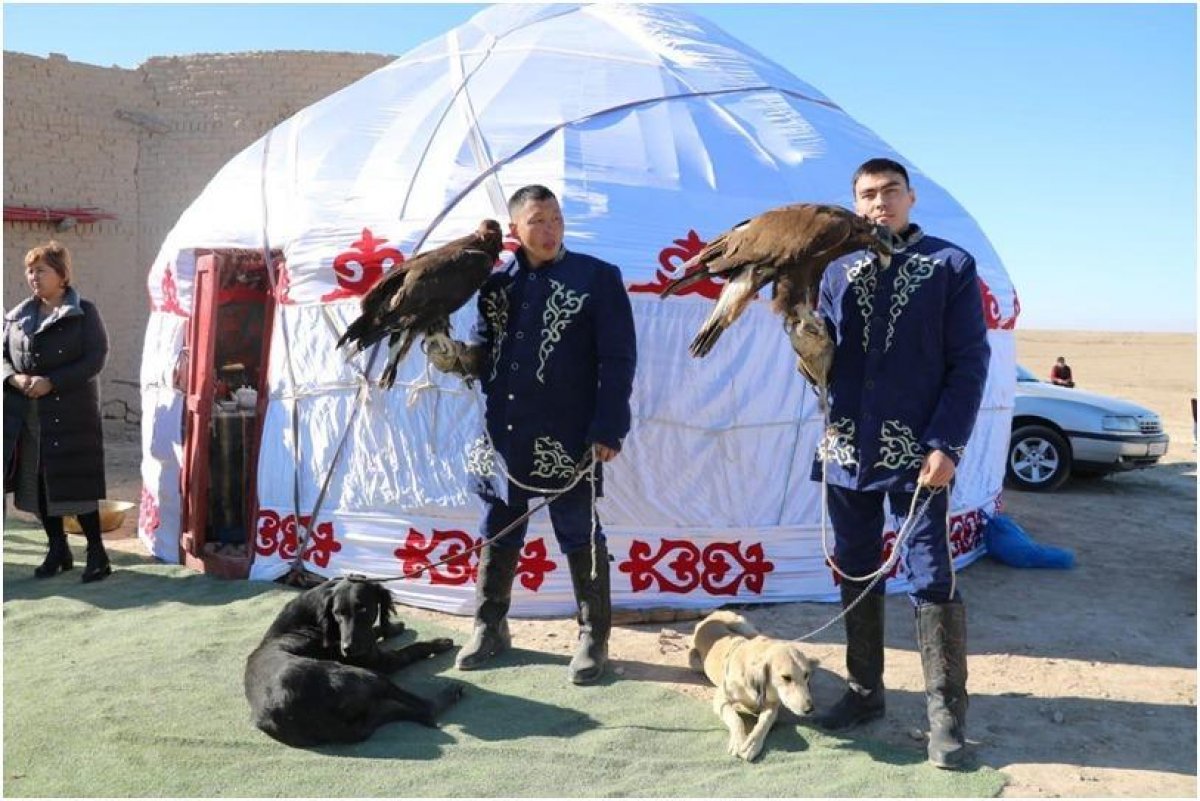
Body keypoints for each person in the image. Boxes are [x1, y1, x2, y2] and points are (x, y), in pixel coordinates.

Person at [809, 158, 990, 769]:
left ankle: (946, 717)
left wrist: (948, 443)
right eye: (868, 194)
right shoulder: (836, 269)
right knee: (854, 565)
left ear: (911, 197)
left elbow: (970, 362)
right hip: (846, 445)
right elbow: (823, 363)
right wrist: (804, 343)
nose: (880, 202)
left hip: (918, 450)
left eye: (891, 191)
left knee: (930, 573)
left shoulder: (950, 265)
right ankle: (864, 693)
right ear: (855, 203)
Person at [428, 185, 637, 684]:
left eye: (556, 219)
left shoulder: (596, 277)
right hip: (502, 432)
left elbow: (618, 359)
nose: (550, 230)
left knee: (578, 531)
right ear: (514, 228)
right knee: (497, 527)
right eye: (538, 221)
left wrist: (609, 426)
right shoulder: (497, 284)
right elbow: (485, 353)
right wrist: (457, 358)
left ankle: (593, 637)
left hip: (568, 436)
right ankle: (490, 626)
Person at [4, 241, 112, 582]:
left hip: (71, 416)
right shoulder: (17, 316)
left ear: (62, 275)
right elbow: (2, 357)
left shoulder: (84, 313)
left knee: (76, 484)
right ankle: (57, 548)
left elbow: (96, 357)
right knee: (37, 484)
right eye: (30, 270)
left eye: (41, 270)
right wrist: (15, 378)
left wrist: (52, 382)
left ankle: (97, 553)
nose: (33, 277)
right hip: (29, 417)